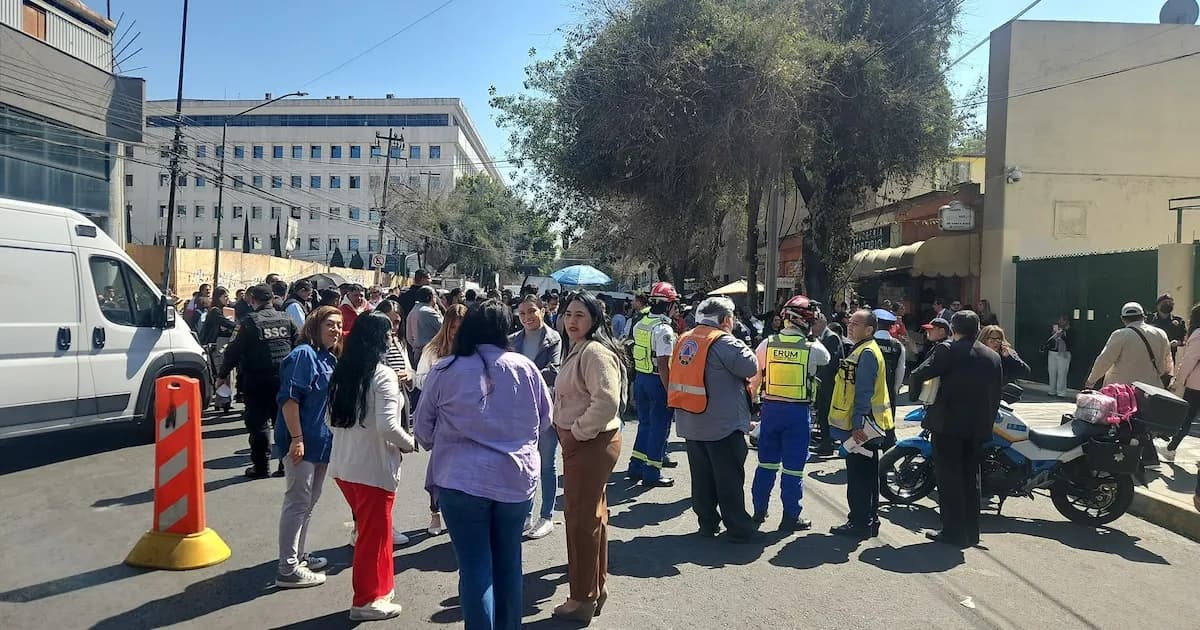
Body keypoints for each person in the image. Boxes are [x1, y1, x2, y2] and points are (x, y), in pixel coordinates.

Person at [415, 300, 551, 630]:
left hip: (460, 482)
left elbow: (422, 430)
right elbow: (545, 420)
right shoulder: (525, 367)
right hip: (515, 481)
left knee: (475, 569)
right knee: (509, 564)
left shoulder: (445, 369)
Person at [328, 315, 415, 620]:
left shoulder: (342, 371)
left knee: (372, 533)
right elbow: (388, 427)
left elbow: (330, 420)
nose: (393, 339)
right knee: (373, 537)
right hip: (372, 470)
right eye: (389, 334)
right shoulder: (383, 375)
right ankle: (365, 601)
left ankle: (380, 589)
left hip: (343, 466)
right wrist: (410, 443)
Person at [551, 292, 625, 621]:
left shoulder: (594, 352)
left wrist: (576, 433)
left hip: (590, 442)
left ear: (594, 318)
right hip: (586, 441)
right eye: (568, 314)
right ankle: (595, 588)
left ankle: (581, 599)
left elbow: (606, 401)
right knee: (592, 518)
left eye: (580, 315)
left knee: (580, 522)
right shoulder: (579, 348)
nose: (572, 321)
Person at [669, 296, 761, 541]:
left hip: (691, 421)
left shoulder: (685, 338)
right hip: (721, 425)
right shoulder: (725, 342)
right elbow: (750, 367)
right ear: (726, 320)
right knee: (729, 479)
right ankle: (739, 529)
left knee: (701, 478)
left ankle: (707, 523)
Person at [909, 310, 1003, 548]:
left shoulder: (948, 350)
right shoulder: (992, 356)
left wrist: (918, 397)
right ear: (978, 328)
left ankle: (953, 532)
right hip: (978, 427)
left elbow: (919, 373)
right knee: (971, 480)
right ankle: (971, 533)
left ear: (953, 328)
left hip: (948, 425)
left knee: (949, 481)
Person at [747, 295, 830, 532]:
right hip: (797, 413)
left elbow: (755, 378)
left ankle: (759, 511)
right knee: (793, 469)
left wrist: (752, 406)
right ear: (804, 321)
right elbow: (825, 357)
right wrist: (814, 335)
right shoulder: (813, 348)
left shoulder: (766, 344)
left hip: (770, 411)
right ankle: (790, 517)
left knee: (766, 464)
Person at [274, 305, 342, 588]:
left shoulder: (328, 358)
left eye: (338, 325)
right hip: (303, 442)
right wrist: (297, 438)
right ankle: (287, 568)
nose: (336, 330)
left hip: (321, 442)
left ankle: (298, 555)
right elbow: (290, 399)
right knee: (297, 502)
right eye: (330, 324)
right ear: (315, 325)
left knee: (308, 503)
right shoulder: (303, 355)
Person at [217, 284, 298, 479]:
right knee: (284, 422)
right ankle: (285, 465)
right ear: (272, 299)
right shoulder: (286, 319)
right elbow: (299, 345)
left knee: (259, 424)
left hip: (257, 380)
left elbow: (232, 352)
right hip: (284, 380)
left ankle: (261, 467)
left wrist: (222, 375)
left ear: (253, 300)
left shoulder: (249, 322)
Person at [828, 309, 895, 540]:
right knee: (867, 475)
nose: (850, 325)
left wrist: (857, 423)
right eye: (850, 321)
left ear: (869, 329)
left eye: (856, 323)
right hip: (867, 424)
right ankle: (868, 520)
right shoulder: (862, 349)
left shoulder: (866, 352)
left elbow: (863, 391)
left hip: (864, 426)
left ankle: (859, 523)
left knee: (859, 477)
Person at [510, 295, 564, 540]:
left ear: (542, 310)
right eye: (522, 313)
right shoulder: (513, 340)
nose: (527, 317)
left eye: (531, 311)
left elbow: (553, 372)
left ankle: (547, 516)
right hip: (518, 412)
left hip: (545, 409)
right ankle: (526, 514)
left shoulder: (554, 339)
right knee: (524, 464)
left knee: (547, 465)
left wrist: (520, 375)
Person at [414, 303, 468, 536]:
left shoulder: (471, 350)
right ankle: (435, 513)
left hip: (465, 417)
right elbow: (419, 380)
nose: (456, 331)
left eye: (460, 326)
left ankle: (459, 513)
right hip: (439, 417)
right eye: (452, 326)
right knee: (437, 467)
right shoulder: (433, 350)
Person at [628, 281, 680, 488]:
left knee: (645, 424)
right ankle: (652, 472)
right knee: (659, 427)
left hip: (641, 378)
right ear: (668, 305)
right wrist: (671, 391)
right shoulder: (664, 330)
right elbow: (664, 364)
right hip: (658, 381)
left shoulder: (641, 323)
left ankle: (636, 466)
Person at [1086, 302, 1174, 389]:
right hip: (1151, 388)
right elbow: (1168, 363)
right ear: (1143, 317)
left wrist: (1091, 381)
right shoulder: (1161, 334)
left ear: (1123, 319)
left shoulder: (1120, 335)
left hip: (1123, 390)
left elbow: (1104, 360)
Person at [1167, 303, 1200, 462]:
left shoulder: (1198, 335)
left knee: (1186, 418)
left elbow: (1189, 361)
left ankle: (1171, 448)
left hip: (1196, 385)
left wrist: (1177, 381)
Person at [811, 312, 845, 457]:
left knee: (826, 414)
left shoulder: (831, 337)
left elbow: (829, 363)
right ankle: (824, 441)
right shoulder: (819, 338)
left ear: (822, 322)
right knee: (822, 413)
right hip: (822, 384)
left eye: (815, 324)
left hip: (830, 384)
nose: (813, 327)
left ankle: (827, 443)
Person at [871, 308, 906, 416]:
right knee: (887, 425)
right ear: (891, 327)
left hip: (869, 392)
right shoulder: (898, 346)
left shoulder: (868, 343)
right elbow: (900, 371)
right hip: (888, 390)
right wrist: (894, 389)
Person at [407, 286, 444, 360]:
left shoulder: (413, 310)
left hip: (417, 351)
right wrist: (438, 312)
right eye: (435, 296)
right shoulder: (429, 312)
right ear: (430, 297)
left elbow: (409, 337)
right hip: (430, 353)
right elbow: (444, 328)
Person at [1044, 316, 1073, 398]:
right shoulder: (1054, 329)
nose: (1061, 322)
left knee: (1062, 373)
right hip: (1053, 352)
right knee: (1052, 372)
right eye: (1060, 319)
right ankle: (1051, 390)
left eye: (1063, 320)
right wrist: (1053, 334)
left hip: (1063, 353)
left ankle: (1061, 392)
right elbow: (1047, 340)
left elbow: (1071, 341)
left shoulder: (1069, 330)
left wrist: (1061, 336)